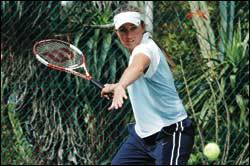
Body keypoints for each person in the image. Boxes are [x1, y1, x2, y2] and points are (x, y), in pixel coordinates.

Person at [101, 5, 195, 165]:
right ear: (116, 33)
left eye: (133, 28)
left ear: (143, 27)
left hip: (171, 133)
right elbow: (136, 74)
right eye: (123, 30)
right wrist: (117, 86)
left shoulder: (146, 48)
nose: (128, 35)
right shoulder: (138, 50)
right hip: (142, 137)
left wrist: (121, 85)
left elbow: (138, 67)